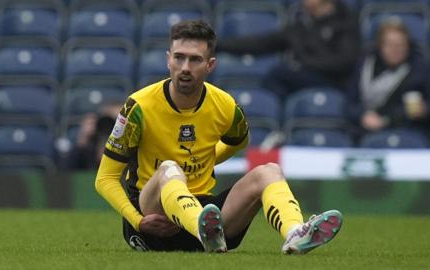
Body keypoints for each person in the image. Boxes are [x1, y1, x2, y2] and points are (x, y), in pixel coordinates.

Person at [95, 19, 343, 253]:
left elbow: (239, 141)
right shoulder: (138, 107)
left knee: (269, 171)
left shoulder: (225, 106)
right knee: (170, 169)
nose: (185, 68)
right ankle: (204, 231)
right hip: (155, 222)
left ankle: (295, 233)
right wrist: (138, 221)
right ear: (168, 60)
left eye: (195, 60)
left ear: (210, 65)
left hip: (209, 215)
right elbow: (105, 178)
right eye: (179, 58)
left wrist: (208, 158)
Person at [216, 0, 360, 100]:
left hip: (337, 82)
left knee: (281, 73)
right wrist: (218, 45)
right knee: (277, 75)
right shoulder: (300, 26)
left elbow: (346, 60)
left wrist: (306, 64)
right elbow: (261, 43)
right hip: (304, 77)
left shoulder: (346, 22)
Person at [346, 18, 430, 139]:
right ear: (380, 45)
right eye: (389, 44)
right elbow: (350, 103)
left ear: (408, 45)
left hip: (408, 130)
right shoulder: (365, 63)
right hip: (366, 130)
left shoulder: (421, 68)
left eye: (400, 44)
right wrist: (362, 115)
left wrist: (425, 109)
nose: (395, 49)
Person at [66, 100, 122, 169]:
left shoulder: (129, 143)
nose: (112, 126)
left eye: (118, 121)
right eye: (108, 120)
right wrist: (82, 141)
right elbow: (66, 172)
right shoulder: (92, 141)